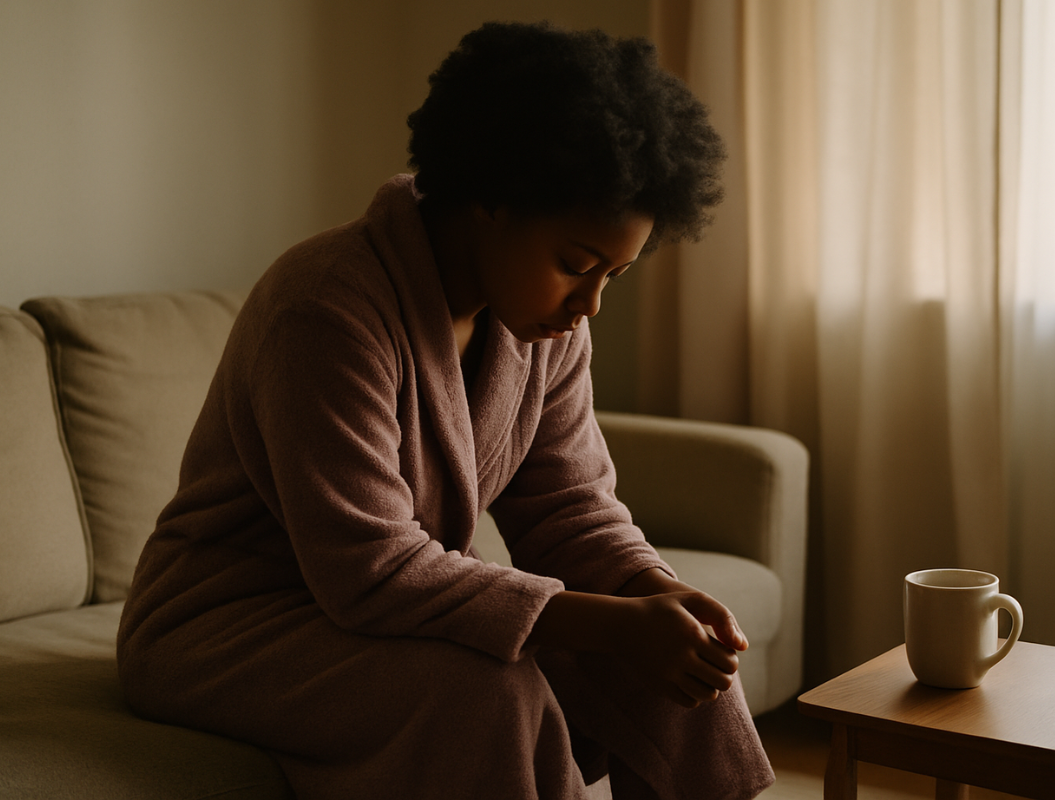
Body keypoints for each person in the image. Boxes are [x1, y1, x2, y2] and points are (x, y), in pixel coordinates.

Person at [117, 20, 775, 800]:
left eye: (614, 277)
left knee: (686, 665)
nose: (589, 304)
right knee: (487, 692)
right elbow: (370, 569)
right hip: (224, 629)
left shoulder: (541, 325)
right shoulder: (324, 308)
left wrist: (649, 591)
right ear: (490, 198)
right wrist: (611, 623)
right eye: (576, 264)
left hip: (366, 614)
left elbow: (570, 507)